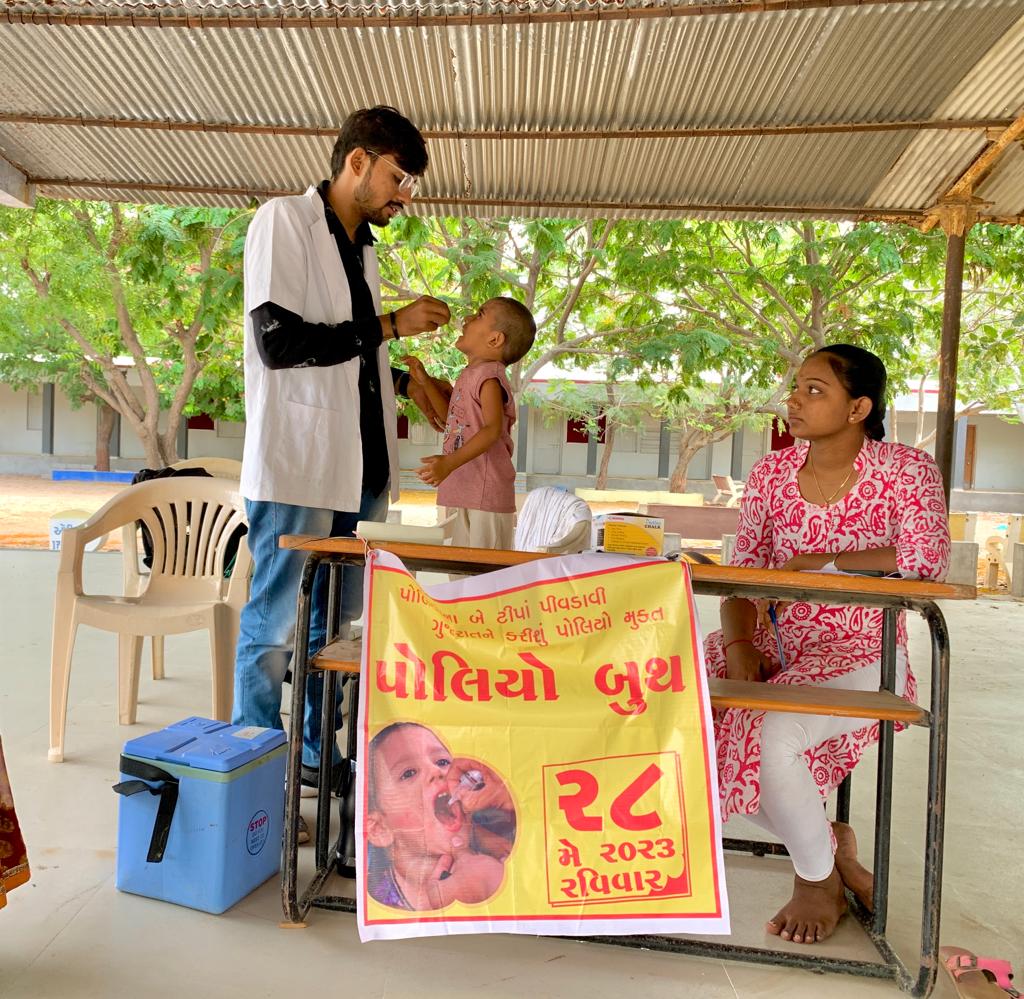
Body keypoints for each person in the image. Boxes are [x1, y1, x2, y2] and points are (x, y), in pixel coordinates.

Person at [233, 106, 453, 835]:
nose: (405, 197)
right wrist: (390, 324)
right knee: (272, 633)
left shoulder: (362, 252)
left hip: (354, 472)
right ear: (357, 162)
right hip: (297, 467)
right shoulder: (281, 223)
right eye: (399, 178)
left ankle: (315, 764)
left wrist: (405, 380)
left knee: (332, 635)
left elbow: (351, 361)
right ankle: (255, 788)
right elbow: (280, 342)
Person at [705, 344, 950, 945]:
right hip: (769, 640)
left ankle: (816, 878)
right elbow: (744, 575)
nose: (794, 399)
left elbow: (925, 556)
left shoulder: (904, 470)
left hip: (865, 651)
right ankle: (826, 838)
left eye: (815, 390)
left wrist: (826, 562)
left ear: (858, 407)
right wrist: (739, 646)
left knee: (769, 735)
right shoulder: (770, 474)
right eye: (796, 387)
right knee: (673, 715)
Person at [405, 297, 536, 550]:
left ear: (495, 340)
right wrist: (425, 382)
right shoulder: (471, 375)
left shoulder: (489, 378)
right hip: (468, 491)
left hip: (486, 494)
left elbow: (491, 430)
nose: (466, 319)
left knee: (485, 577)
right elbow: (450, 420)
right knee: (461, 574)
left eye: (478, 314)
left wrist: (449, 462)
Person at [365, 723, 508, 911]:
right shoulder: (379, 899)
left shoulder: (502, 852)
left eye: (442, 761)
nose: (436, 772)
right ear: (380, 829)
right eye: (408, 773)